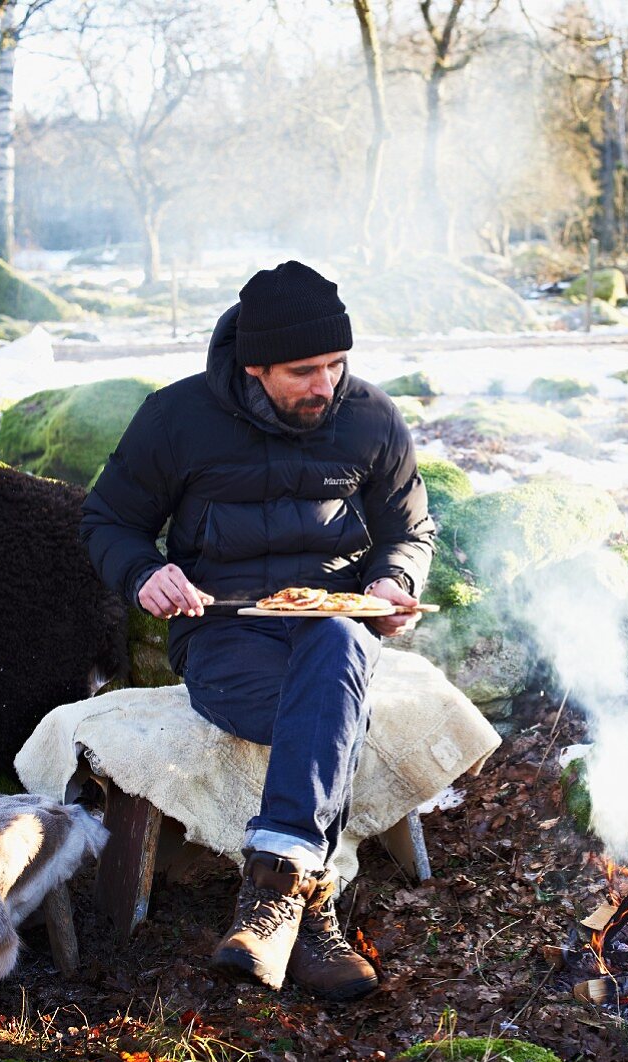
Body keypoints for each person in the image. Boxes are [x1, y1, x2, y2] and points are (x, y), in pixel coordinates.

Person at [80, 261, 435, 1001]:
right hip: (222, 632)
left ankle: (271, 895)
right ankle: (311, 913)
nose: (326, 386)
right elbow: (108, 520)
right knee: (328, 719)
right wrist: (145, 574)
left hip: (336, 627)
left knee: (339, 645)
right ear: (254, 366)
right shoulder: (176, 419)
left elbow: (410, 531)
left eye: (337, 366)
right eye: (304, 371)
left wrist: (393, 583)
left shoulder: (371, 416)